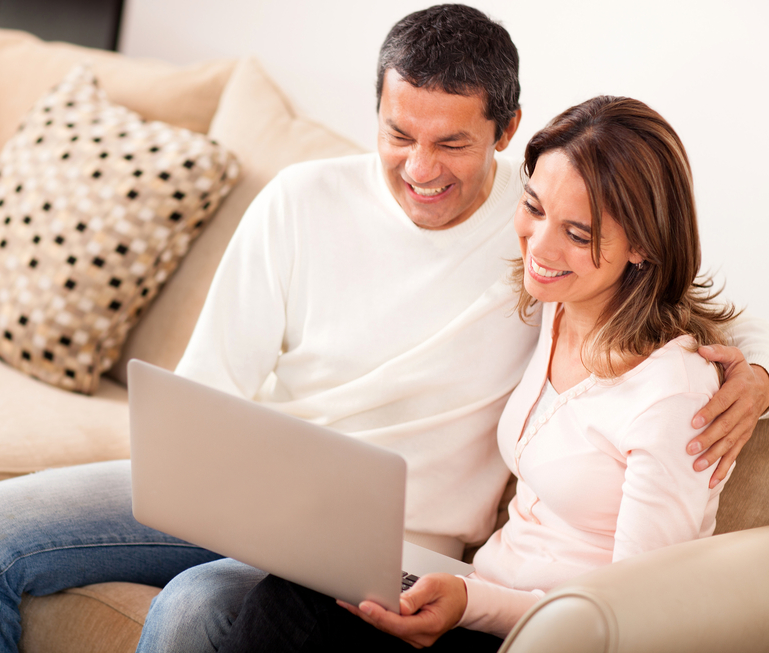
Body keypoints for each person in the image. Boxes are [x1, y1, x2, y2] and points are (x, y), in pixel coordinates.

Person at [0, 6, 769, 653]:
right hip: (241, 491)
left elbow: (651, 309)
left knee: (197, 611)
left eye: (454, 144)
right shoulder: (308, 201)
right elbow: (205, 394)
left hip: (388, 544)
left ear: (505, 132)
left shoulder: (546, 231)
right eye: (400, 133)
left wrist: (757, 379)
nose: (421, 169)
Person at [211, 94, 742, 652]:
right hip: (477, 600)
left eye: (578, 234)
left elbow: (635, 617)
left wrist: (471, 603)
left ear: (643, 245)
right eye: (534, 207)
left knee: (280, 607)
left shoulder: (672, 398)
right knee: (297, 584)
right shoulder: (559, 306)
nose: (540, 246)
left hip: (545, 637)